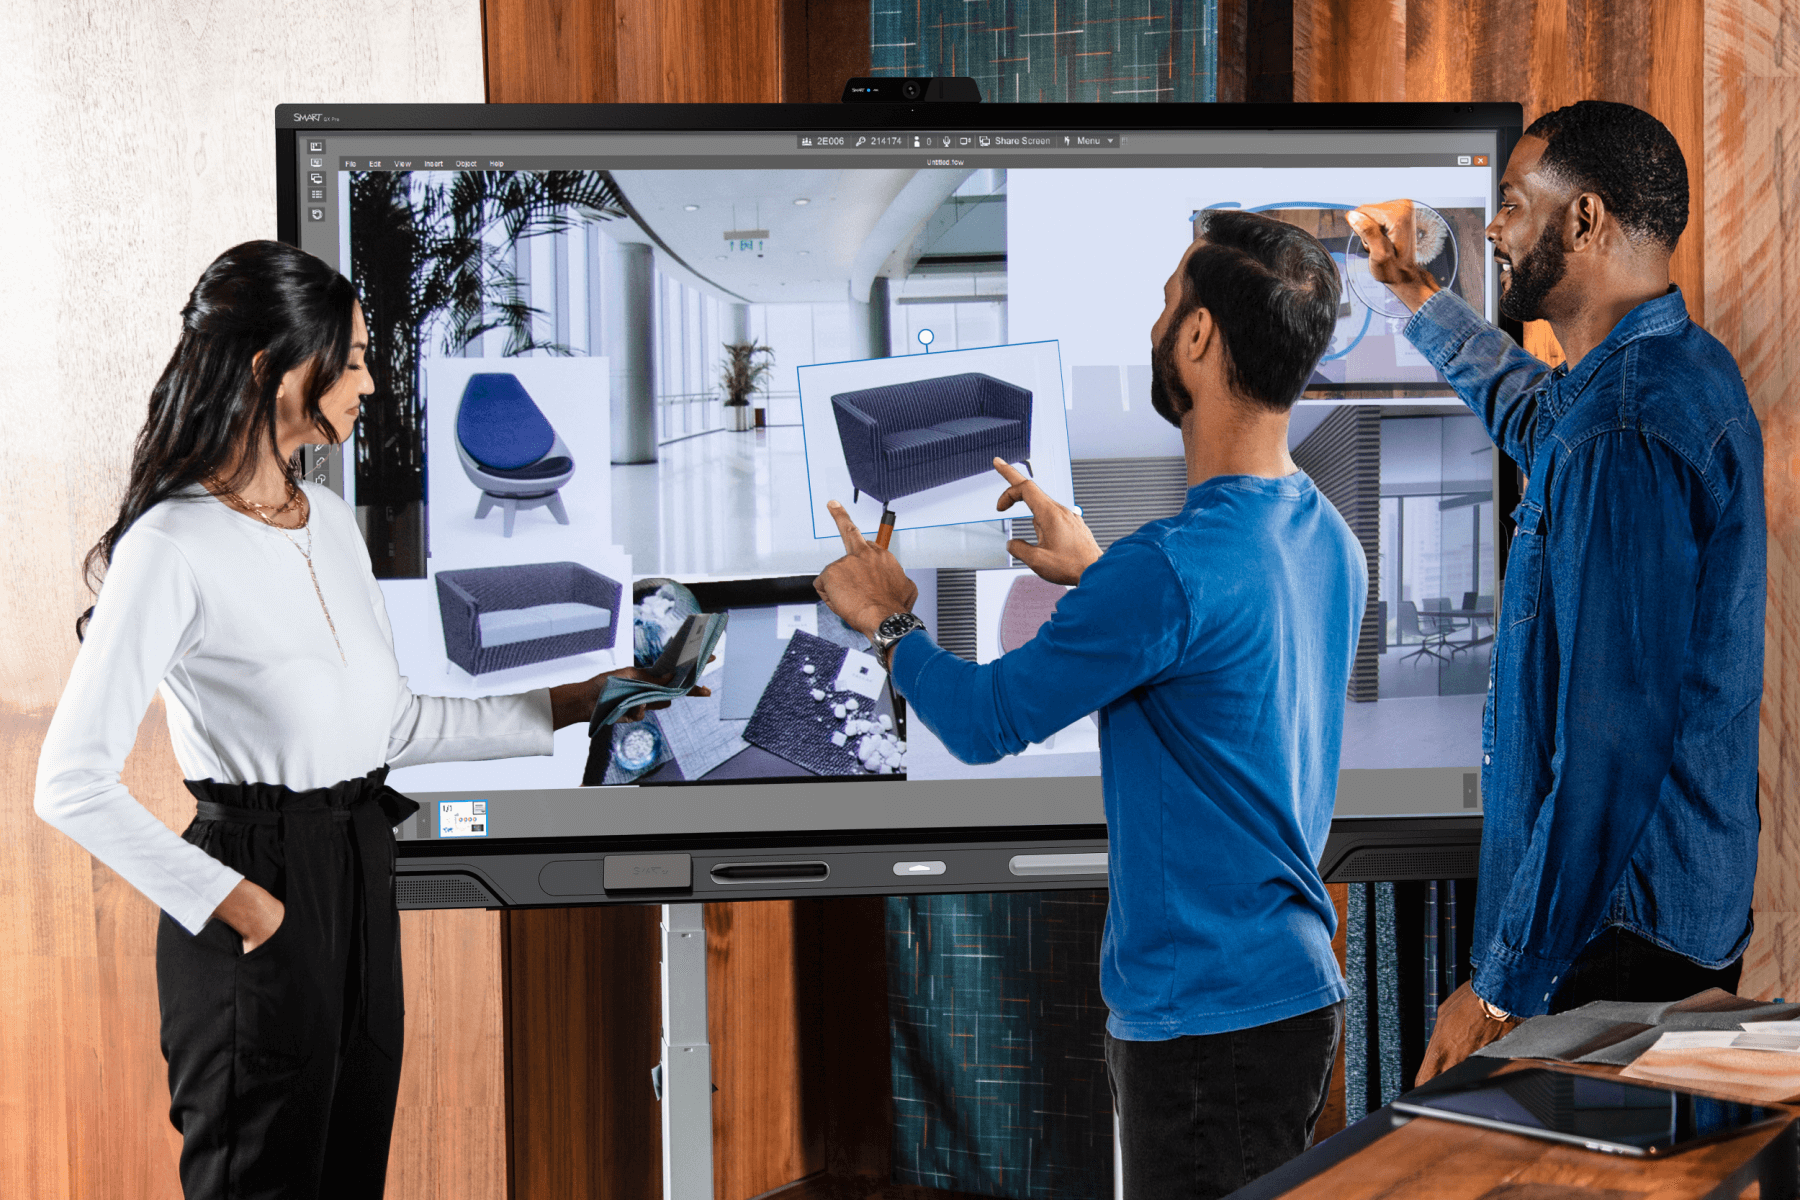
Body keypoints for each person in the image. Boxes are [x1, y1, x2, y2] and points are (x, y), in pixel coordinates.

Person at [33, 241, 690, 1199]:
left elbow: (391, 726)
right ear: (271, 368)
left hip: (359, 871)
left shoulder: (329, 523)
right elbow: (70, 784)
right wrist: (247, 907)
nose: (371, 383)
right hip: (256, 885)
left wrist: (581, 701)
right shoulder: (171, 545)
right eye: (349, 359)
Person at [814, 209, 1366, 1200]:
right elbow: (1214, 675)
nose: (1157, 326)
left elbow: (985, 722)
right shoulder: (1325, 533)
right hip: (1288, 996)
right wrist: (1103, 573)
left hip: (1201, 1022)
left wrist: (893, 622)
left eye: (1166, 306)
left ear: (1198, 339)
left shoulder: (1166, 573)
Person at [1347, 100, 1765, 1082]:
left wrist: (1501, 987)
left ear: (1582, 220)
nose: (1492, 228)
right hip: (1669, 903)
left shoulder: (1623, 425)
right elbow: (1540, 417)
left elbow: (1613, 740)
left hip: (1614, 930)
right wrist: (1414, 296)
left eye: (1510, 204)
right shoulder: (1670, 372)